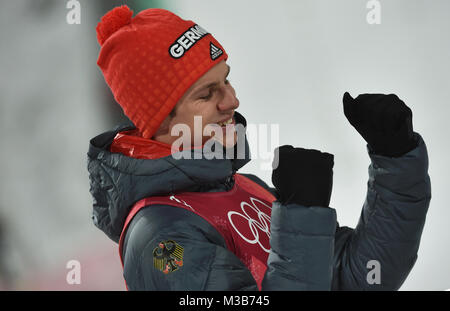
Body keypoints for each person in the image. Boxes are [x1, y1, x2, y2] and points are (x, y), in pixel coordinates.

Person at [87, 5, 431, 290]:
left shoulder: (245, 188)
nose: (232, 100)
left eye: (226, 80)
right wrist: (300, 219)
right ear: (160, 121)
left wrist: (395, 161)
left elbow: (356, 279)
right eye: (207, 94)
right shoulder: (160, 239)